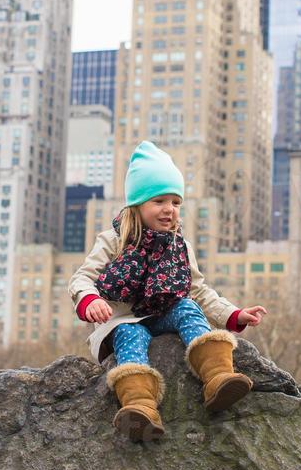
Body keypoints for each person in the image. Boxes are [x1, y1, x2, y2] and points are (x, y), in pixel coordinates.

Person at [68, 140, 267, 441]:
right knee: (129, 335)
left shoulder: (179, 246)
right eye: (159, 201)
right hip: (123, 320)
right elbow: (82, 278)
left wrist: (233, 314)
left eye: (175, 203)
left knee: (187, 307)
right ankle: (140, 406)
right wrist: (90, 300)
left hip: (163, 314)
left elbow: (198, 290)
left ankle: (218, 377)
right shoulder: (113, 240)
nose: (168, 210)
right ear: (138, 204)